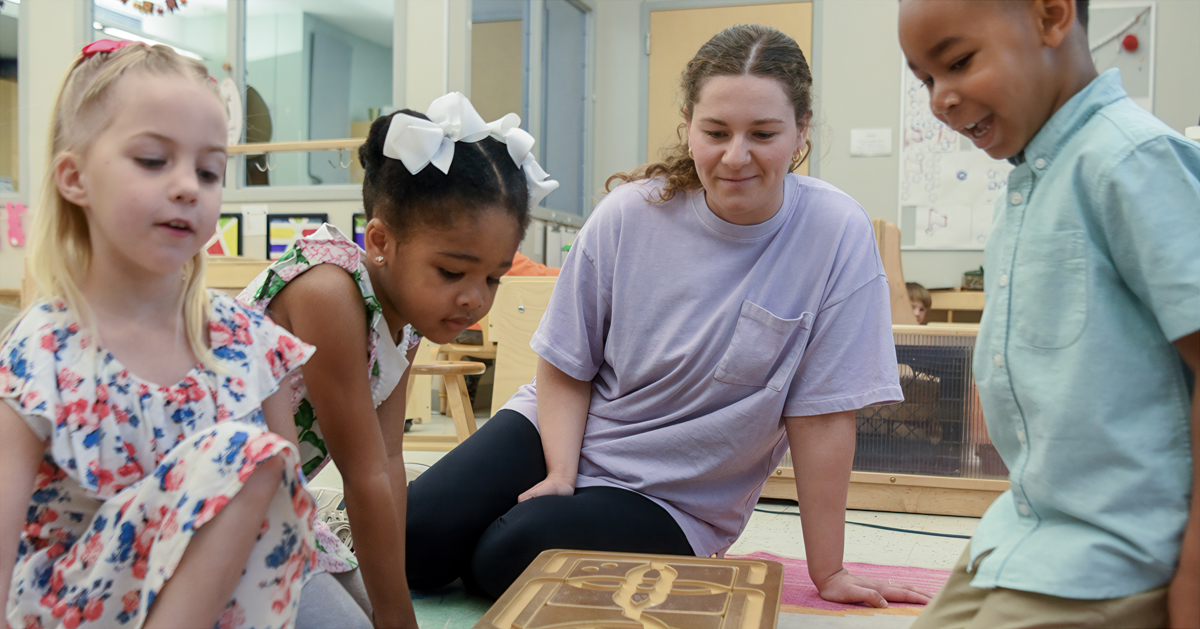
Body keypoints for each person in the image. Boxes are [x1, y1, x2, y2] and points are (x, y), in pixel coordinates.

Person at [407, 24, 932, 608]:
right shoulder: (628, 215)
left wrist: (828, 571)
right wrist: (561, 475)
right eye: (715, 132)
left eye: (763, 133)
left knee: (502, 562)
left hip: (676, 497)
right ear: (688, 124)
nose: (737, 156)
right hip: (563, 429)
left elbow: (823, 417)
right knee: (415, 542)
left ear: (801, 130)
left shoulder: (837, 233)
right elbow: (566, 363)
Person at [899, 1, 1200, 626]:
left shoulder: (1130, 160)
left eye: (957, 63)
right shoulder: (1031, 180)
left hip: (1117, 555)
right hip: (1023, 536)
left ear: (1051, 16)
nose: (940, 99)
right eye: (926, 80)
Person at [0, 41, 317, 629]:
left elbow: (284, 512)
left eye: (209, 170)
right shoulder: (43, 348)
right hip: (71, 609)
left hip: (217, 604)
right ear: (75, 179)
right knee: (244, 455)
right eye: (152, 161)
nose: (186, 187)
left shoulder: (246, 338)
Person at [237, 92, 557, 629]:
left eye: (493, 277)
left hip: (277, 509)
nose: (475, 298)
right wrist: (397, 616)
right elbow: (360, 472)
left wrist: (392, 603)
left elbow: (387, 462)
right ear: (381, 240)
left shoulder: (402, 320)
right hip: (209, 504)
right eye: (453, 272)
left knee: (369, 609)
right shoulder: (329, 292)